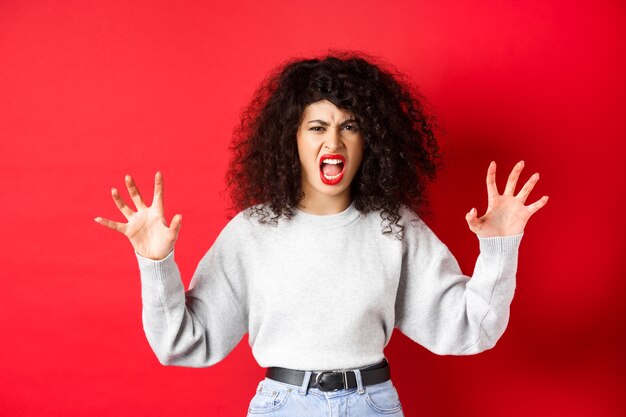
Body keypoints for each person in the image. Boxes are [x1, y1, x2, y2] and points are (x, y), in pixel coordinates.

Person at [94, 52, 548, 417]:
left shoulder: (395, 228)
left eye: (349, 127)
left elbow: (472, 329)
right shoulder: (252, 232)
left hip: (374, 404)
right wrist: (156, 265)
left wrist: (499, 248)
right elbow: (182, 343)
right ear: (291, 140)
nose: (333, 142)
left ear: (370, 141)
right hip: (283, 406)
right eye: (317, 127)